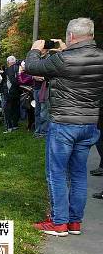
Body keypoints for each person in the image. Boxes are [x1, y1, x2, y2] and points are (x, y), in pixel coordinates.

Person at [26, 18, 103, 236]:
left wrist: (35, 49)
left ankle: (59, 222)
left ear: (70, 36)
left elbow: (32, 67)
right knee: (79, 173)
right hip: (89, 123)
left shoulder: (63, 59)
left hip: (64, 123)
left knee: (57, 172)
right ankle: (74, 222)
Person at [2, 56, 21, 133]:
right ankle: (15, 124)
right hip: (18, 91)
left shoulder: (9, 69)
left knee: (8, 109)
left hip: (10, 92)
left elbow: (12, 80)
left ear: (8, 62)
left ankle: (9, 126)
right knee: (16, 108)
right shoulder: (19, 67)